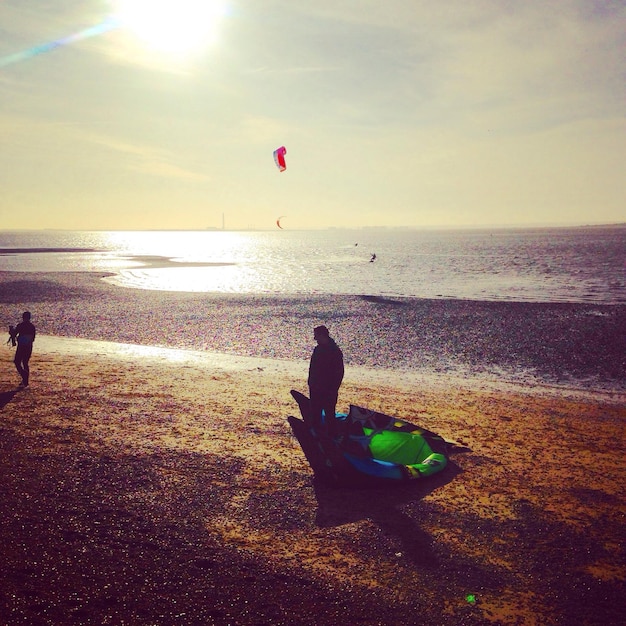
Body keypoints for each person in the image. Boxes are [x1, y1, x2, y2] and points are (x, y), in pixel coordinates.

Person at [308, 325, 344, 435]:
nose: (315, 339)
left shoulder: (335, 351)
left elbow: (339, 373)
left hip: (328, 390)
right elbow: (313, 368)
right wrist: (311, 383)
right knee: (315, 414)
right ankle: (317, 435)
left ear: (323, 335)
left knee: (329, 415)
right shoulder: (318, 349)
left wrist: (332, 389)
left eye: (316, 336)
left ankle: (332, 437)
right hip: (316, 389)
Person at [13, 311, 36, 387]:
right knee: (25, 362)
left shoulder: (20, 325)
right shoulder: (32, 326)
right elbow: (33, 339)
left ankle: (24, 375)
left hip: (21, 347)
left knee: (17, 362)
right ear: (29, 317)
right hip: (29, 346)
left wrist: (11, 332)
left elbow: (14, 334)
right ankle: (25, 381)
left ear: (23, 317)